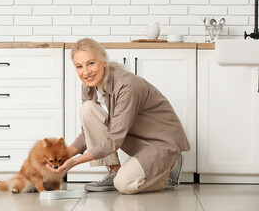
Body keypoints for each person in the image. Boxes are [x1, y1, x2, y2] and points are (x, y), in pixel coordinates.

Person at [46, 38, 190, 194]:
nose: (85, 72)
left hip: (161, 142)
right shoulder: (88, 87)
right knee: (86, 109)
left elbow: (114, 139)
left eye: (91, 63)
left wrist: (74, 162)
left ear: (103, 60)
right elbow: (86, 133)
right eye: (79, 66)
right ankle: (116, 172)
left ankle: (169, 166)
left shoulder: (127, 85)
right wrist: (61, 159)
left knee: (124, 185)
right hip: (137, 140)